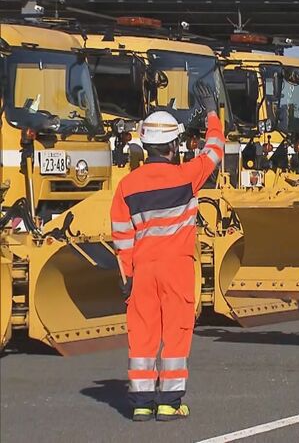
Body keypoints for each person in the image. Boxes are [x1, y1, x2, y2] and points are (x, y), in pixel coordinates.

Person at [110, 85, 223, 422]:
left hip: (142, 270)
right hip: (177, 269)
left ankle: (143, 403)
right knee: (176, 331)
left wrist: (127, 274)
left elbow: (121, 236)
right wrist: (213, 115)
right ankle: (169, 403)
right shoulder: (186, 177)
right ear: (174, 147)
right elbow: (215, 151)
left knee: (142, 333)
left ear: (146, 146)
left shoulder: (127, 186)